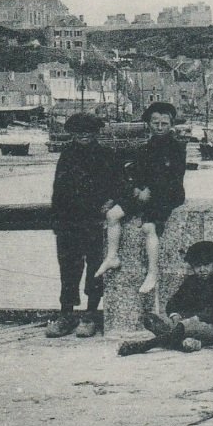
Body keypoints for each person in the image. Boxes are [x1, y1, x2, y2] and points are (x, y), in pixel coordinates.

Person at [95, 102, 187, 294]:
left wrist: (149, 190)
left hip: (168, 194)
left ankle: (152, 273)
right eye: (155, 123)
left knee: (148, 227)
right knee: (112, 215)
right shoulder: (145, 148)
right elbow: (137, 171)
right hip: (144, 191)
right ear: (149, 124)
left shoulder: (177, 148)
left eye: (164, 124)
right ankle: (112, 257)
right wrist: (137, 187)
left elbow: (173, 177)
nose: (159, 128)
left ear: (171, 124)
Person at [46, 112, 122, 338]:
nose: (84, 136)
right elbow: (58, 190)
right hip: (69, 221)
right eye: (79, 132)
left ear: (96, 132)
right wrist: (57, 221)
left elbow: (119, 185)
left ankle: (90, 314)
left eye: (89, 131)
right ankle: (66, 313)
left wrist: (110, 202)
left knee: (96, 267)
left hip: (96, 221)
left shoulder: (107, 155)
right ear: (72, 134)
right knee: (68, 268)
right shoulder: (67, 155)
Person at [117, 241, 213, 356]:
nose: (202, 269)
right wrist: (175, 314)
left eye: (206, 264)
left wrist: (194, 319)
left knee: (183, 326)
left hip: (211, 328)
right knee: (150, 319)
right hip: (184, 324)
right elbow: (173, 302)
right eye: (197, 265)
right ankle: (185, 343)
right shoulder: (191, 281)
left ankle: (145, 345)